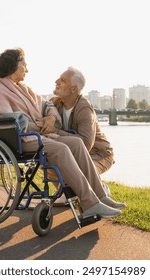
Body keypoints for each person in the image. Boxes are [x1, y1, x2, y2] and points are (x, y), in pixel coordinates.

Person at [0, 48, 125, 219]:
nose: (27, 69)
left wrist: (50, 119)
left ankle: (101, 196)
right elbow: (9, 121)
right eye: (24, 65)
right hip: (19, 139)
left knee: (77, 143)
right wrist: (39, 126)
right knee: (61, 149)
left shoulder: (24, 89)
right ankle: (89, 203)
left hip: (36, 135)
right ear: (14, 65)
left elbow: (48, 105)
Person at [50, 67, 117, 198]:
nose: (56, 81)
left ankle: (102, 190)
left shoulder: (84, 108)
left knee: (81, 170)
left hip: (99, 154)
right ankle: (66, 191)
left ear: (74, 89)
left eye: (63, 80)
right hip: (74, 155)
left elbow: (85, 143)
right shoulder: (55, 104)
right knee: (48, 163)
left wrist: (56, 132)